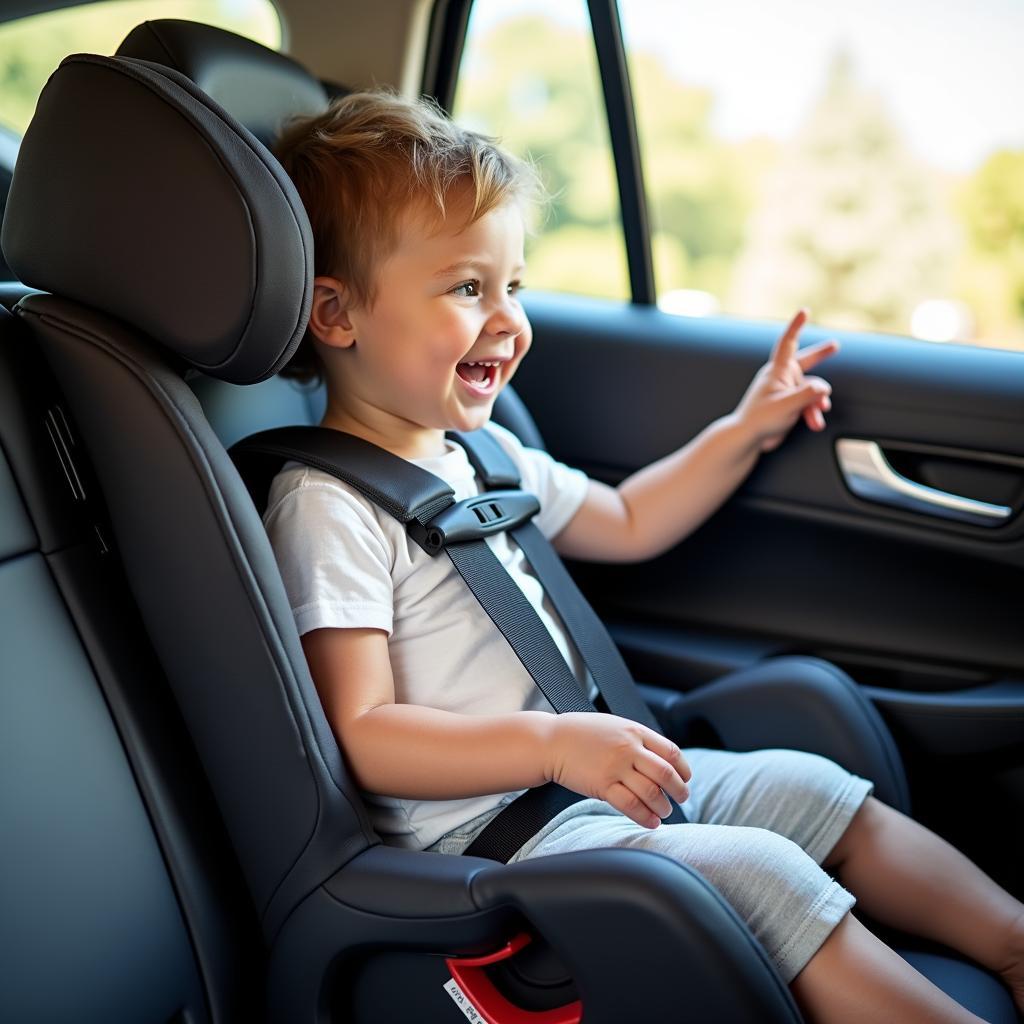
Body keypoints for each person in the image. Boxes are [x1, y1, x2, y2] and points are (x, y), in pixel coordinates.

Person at [263, 90, 1024, 1024]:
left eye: (515, 287)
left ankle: (1014, 946)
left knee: (816, 791)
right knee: (762, 871)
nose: (508, 321)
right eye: (467, 289)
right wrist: (550, 747)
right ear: (336, 315)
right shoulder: (328, 508)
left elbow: (625, 518)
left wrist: (745, 429)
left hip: (591, 772)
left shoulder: (485, 455)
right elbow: (364, 730)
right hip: (490, 839)